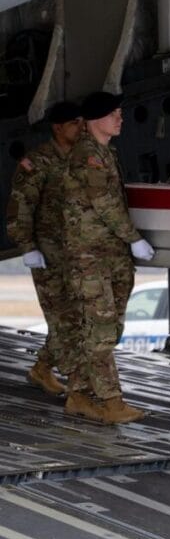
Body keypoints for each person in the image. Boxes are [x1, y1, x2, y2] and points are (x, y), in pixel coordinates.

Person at [61, 92, 155, 423]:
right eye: (114, 114)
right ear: (96, 119)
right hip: (91, 257)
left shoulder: (105, 153)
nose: (120, 119)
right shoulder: (89, 156)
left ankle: (79, 393)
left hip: (108, 255)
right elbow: (104, 203)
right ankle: (111, 401)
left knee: (105, 328)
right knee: (100, 329)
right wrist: (134, 238)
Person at [6, 102, 84, 397]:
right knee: (62, 318)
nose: (80, 128)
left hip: (78, 253)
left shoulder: (83, 158)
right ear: (58, 127)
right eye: (74, 123)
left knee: (76, 316)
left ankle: (42, 367)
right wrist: (26, 246)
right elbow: (19, 207)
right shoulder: (36, 162)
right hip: (48, 254)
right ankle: (78, 385)